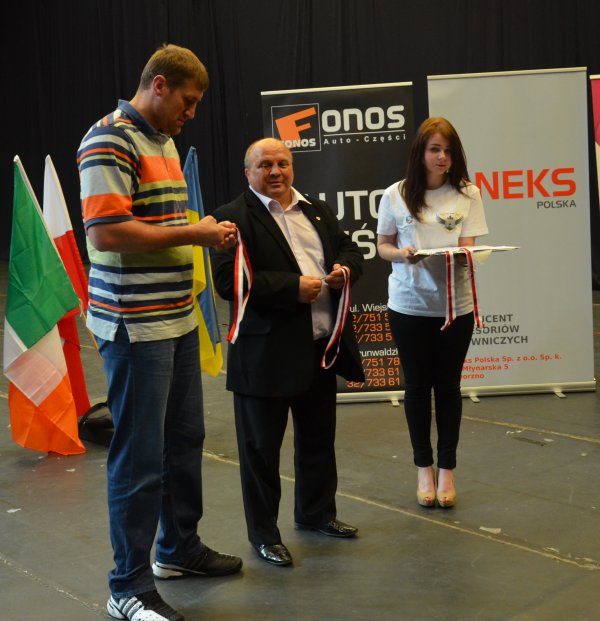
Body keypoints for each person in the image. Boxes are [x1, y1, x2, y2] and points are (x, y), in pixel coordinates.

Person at [77, 44, 242, 621]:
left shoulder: (162, 139)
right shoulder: (108, 139)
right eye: (187, 102)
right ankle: (127, 587)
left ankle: (177, 549)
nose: (190, 114)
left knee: (184, 442)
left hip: (175, 317)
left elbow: (157, 222)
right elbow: (106, 233)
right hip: (134, 324)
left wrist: (195, 232)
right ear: (160, 84)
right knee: (139, 457)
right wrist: (195, 234)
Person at [211, 138, 365, 566]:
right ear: (248, 173)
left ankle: (317, 514)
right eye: (265, 165)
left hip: (319, 347)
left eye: (282, 163)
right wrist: (291, 288)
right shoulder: (231, 218)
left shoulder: (316, 210)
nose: (275, 171)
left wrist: (345, 269)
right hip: (265, 357)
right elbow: (228, 282)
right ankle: (264, 535)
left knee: (318, 440)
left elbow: (350, 248)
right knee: (261, 453)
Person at [376, 117, 488, 509]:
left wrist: (463, 256)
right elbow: (383, 246)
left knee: (449, 387)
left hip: (456, 306)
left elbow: (468, 246)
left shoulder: (468, 193)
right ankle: (423, 467)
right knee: (417, 387)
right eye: (435, 149)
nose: (442, 157)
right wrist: (401, 254)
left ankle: (447, 469)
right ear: (420, 152)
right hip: (408, 305)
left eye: (448, 150)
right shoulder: (395, 194)